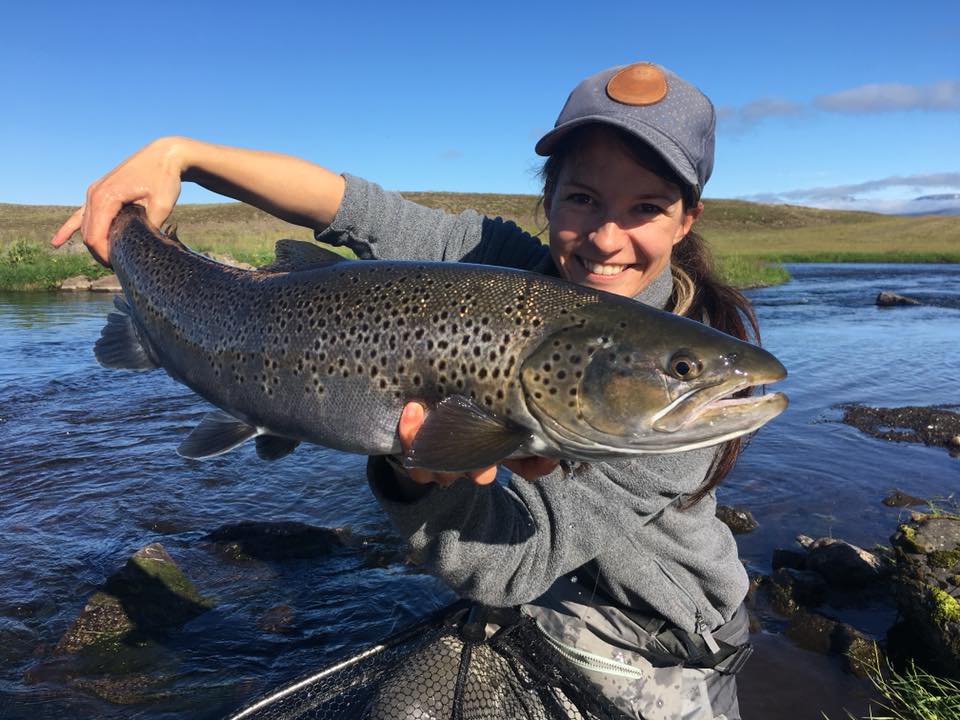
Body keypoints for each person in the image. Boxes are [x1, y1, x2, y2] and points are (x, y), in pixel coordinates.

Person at [53, 61, 760, 719]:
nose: (607, 238)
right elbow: (351, 206)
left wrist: (422, 483)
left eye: (645, 208)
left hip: (660, 630)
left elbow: (518, 564)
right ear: (547, 200)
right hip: (552, 595)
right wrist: (182, 155)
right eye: (582, 198)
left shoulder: (685, 411)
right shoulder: (509, 266)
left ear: (686, 218)